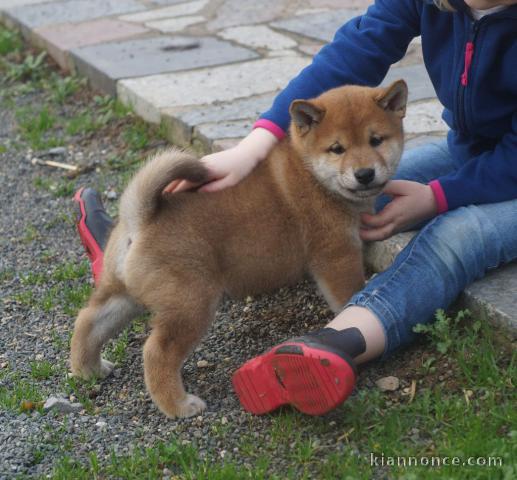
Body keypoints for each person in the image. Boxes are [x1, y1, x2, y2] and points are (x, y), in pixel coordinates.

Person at [75, 0, 517, 415]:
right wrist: (257, 141)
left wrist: (439, 197)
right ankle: (136, 251)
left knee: (458, 235)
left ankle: (341, 340)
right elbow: (353, 51)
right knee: (353, 190)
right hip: (475, 150)